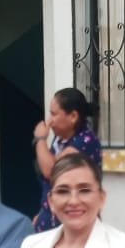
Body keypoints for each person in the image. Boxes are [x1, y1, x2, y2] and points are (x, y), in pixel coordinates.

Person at [32, 88, 102, 232]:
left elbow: (51, 171)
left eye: (54, 114)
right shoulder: (60, 140)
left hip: (74, 224)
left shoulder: (85, 141)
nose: (49, 121)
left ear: (73, 116)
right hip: (51, 221)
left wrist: (40, 139)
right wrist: (42, 214)